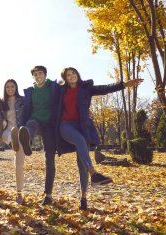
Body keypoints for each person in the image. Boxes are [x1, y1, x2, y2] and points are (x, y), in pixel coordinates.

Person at [56, 67, 143, 210]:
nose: (71, 76)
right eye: (68, 75)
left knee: (82, 165)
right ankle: (94, 174)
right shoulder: (61, 90)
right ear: (65, 78)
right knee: (80, 141)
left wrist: (124, 84)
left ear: (77, 74)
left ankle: (83, 199)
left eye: (73, 73)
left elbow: (106, 88)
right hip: (65, 125)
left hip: (82, 126)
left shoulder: (86, 88)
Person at [18, 66, 59, 205]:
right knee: (29, 125)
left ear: (45, 75)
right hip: (35, 120)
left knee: (49, 159)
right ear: (33, 77)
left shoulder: (53, 87)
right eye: (35, 74)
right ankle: (26, 142)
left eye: (40, 73)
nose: (38, 76)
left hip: (49, 124)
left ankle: (48, 194)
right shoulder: (30, 91)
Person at [1, 79, 26, 204]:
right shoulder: (2, 103)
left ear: (16, 87)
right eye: (7, 87)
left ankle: (19, 193)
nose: (10, 89)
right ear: (5, 89)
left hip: (20, 132)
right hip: (7, 131)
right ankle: (13, 142)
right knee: (6, 135)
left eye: (12, 86)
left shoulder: (22, 100)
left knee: (19, 163)